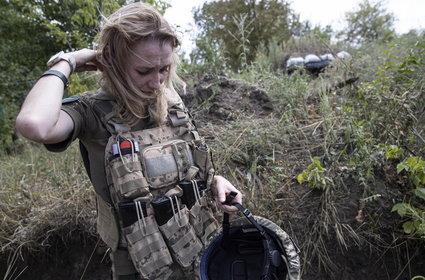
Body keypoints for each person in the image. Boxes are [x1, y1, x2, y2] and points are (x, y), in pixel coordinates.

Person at [15, 2, 242, 279]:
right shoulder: (90, 112)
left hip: (202, 248)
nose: (157, 82)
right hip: (140, 265)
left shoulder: (172, 101)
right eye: (144, 71)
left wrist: (217, 182)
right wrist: (68, 61)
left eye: (164, 69)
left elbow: (192, 165)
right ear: (115, 63)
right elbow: (34, 124)